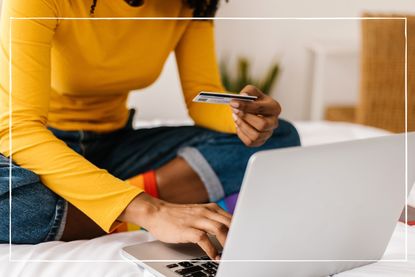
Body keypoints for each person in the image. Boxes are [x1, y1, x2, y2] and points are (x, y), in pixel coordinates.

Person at [0, 0, 300, 260]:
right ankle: (125, 208)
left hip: (114, 145)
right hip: (32, 150)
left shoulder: (193, 3)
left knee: (280, 137)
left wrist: (240, 117)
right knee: (12, 194)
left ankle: (97, 206)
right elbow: (20, 129)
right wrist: (150, 210)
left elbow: (200, 95)